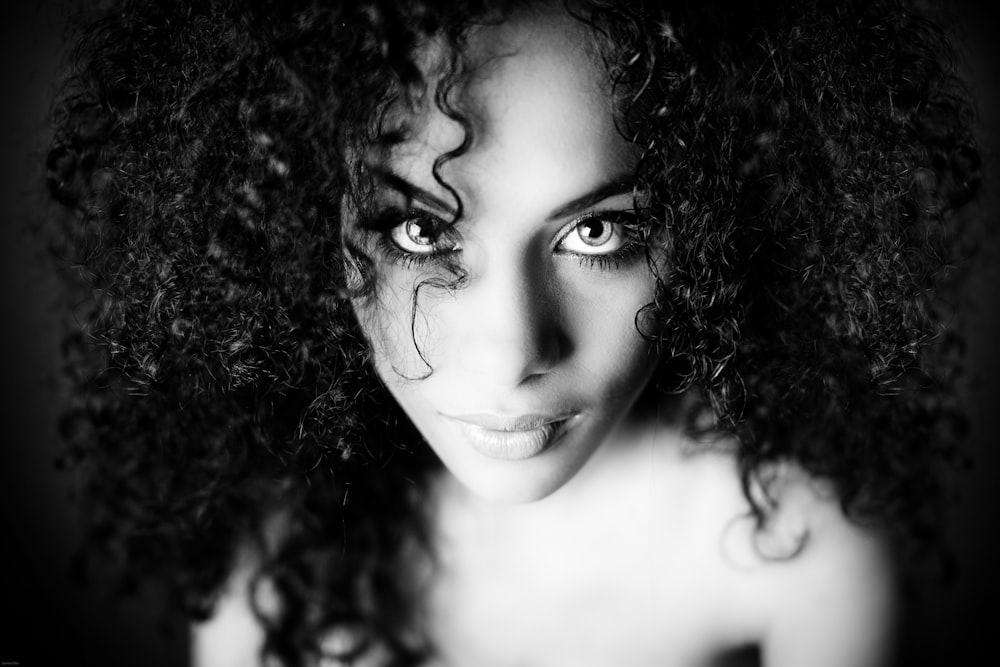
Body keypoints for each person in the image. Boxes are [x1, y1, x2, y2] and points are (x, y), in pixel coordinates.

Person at [43, 0, 982, 665]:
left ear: (717, 221)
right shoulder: (275, 569)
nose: (511, 353)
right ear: (292, 220)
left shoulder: (796, 553)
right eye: (420, 229)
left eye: (597, 231)